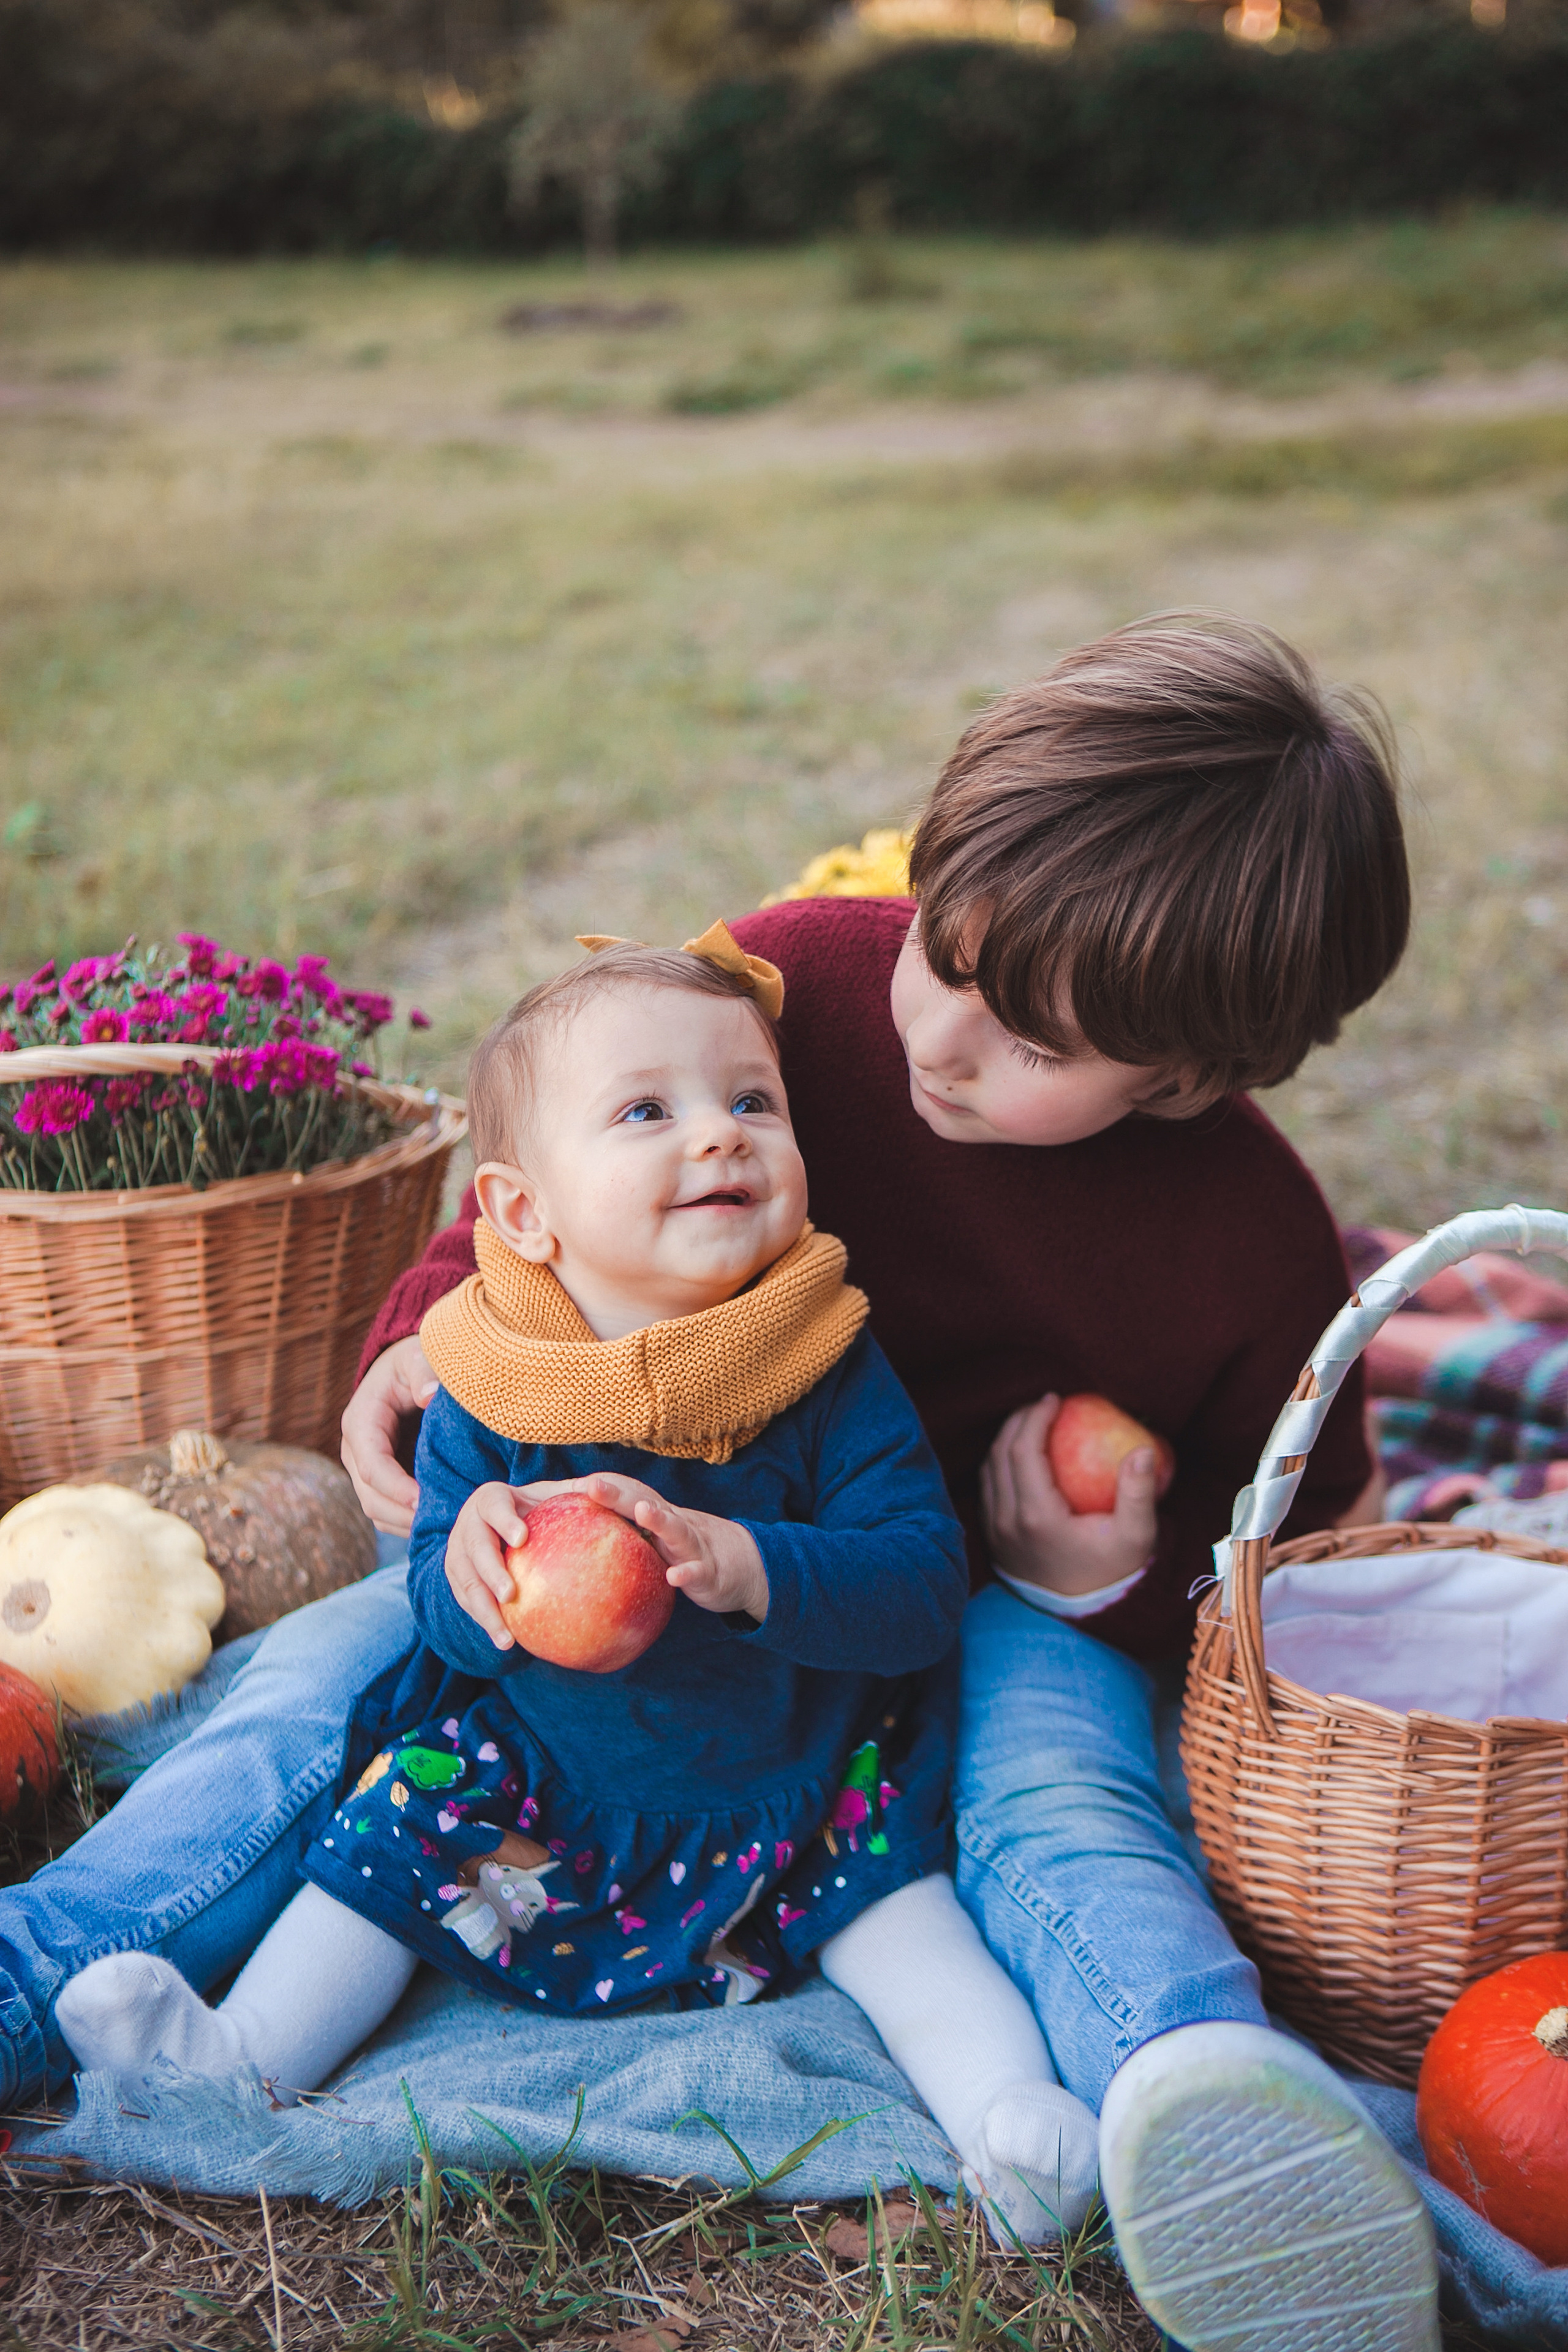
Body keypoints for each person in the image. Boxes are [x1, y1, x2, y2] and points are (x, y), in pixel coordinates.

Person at [0, 615, 1434, 2351]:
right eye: (950, 952)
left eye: (1036, 1044)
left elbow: (1288, 1548)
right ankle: (38, 1967)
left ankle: (1203, 2108)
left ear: (1190, 1074)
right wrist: (412, 1351)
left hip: (968, 1599)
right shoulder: (790, 986)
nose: (949, 1036)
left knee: (1065, 1802)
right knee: (316, 1692)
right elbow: (520, 1201)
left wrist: (1102, 1571)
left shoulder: (1245, 1243)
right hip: (604, 1550)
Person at [53, 932, 1101, 2244]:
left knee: (906, 1919)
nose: (720, 1138)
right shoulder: (491, 1384)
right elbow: (442, 1627)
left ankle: (1007, 2118)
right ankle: (234, 2064)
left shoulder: (821, 1360)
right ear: (522, 1214)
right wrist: (468, 1568)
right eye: (647, 1112)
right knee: (371, 1853)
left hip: (789, 1778)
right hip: (541, 1784)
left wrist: (748, 1563)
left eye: (753, 1103)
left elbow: (918, 1582)